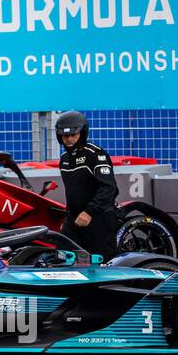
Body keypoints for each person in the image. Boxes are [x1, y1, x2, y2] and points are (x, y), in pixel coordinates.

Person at [55, 110, 120, 260]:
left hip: (99, 217)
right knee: (61, 258)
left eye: (73, 135)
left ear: (82, 134)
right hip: (75, 220)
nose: (69, 139)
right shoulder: (64, 159)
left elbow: (109, 188)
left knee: (102, 264)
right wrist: (67, 220)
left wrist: (89, 212)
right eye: (65, 136)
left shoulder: (96, 154)